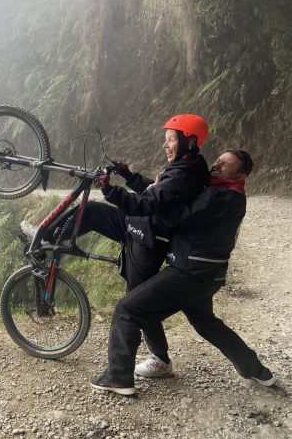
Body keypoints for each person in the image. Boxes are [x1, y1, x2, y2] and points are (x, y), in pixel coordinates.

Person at [23, 114, 210, 369]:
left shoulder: (184, 175)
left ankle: (160, 359)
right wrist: (129, 176)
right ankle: (43, 234)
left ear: (189, 141)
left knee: (137, 300)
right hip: (140, 227)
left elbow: (145, 203)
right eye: (165, 139)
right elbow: (156, 194)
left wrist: (110, 189)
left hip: (148, 239)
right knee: (91, 211)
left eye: (170, 140)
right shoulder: (187, 166)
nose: (165, 145)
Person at [90, 149, 275, 396]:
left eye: (226, 164)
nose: (217, 164)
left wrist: (112, 191)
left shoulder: (222, 197)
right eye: (218, 159)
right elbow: (167, 197)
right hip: (207, 275)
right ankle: (256, 370)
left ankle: (118, 377)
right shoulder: (220, 190)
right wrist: (131, 177)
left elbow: (171, 211)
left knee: (128, 309)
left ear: (241, 175)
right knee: (206, 323)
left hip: (191, 273)